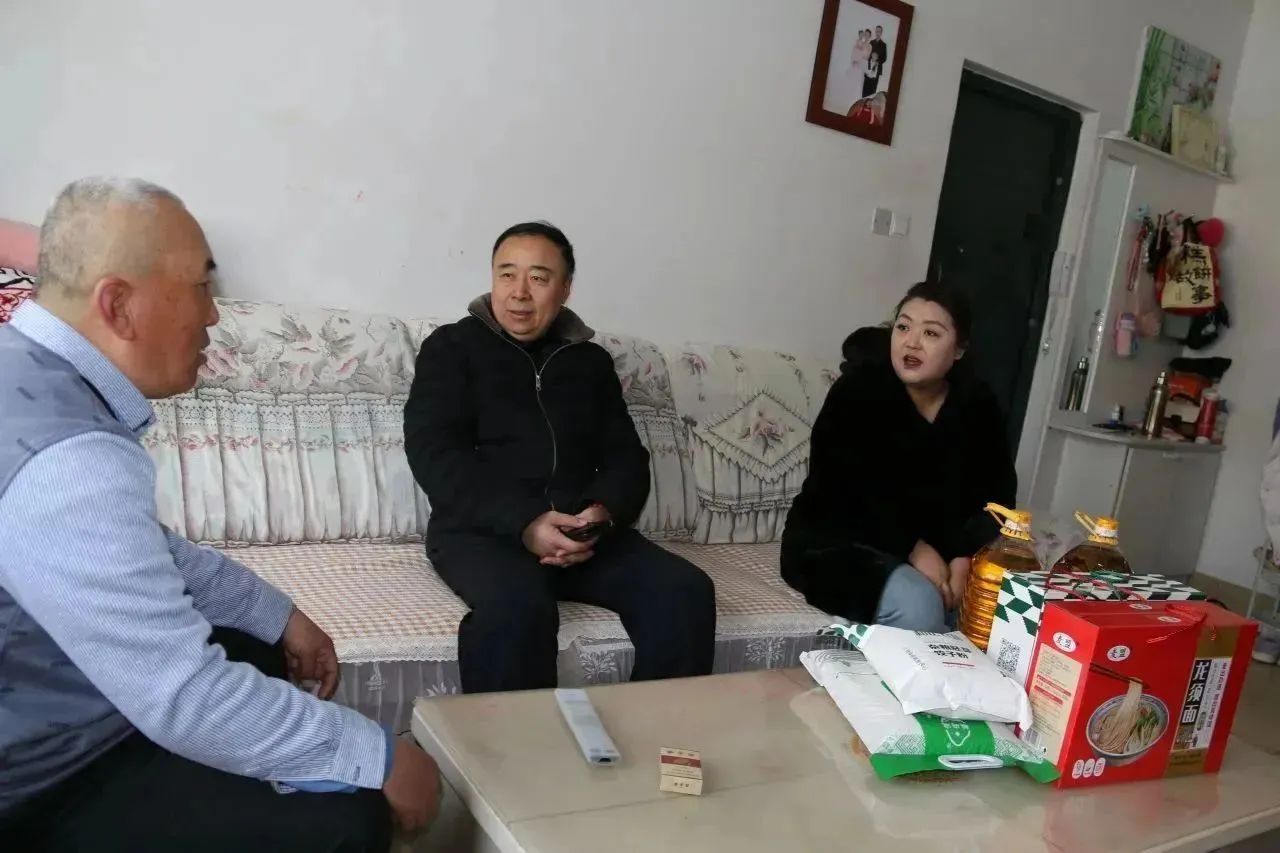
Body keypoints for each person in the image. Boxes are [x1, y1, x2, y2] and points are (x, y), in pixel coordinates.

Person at [0, 178, 440, 851]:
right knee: (347, 822)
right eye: (202, 287)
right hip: (39, 776)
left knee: (254, 640)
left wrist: (276, 613)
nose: (214, 316)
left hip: (56, 691)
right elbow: (180, 694)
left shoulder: (25, 373)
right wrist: (379, 755)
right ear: (118, 305)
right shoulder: (70, 459)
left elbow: (145, 551)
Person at [404, 221, 716, 694]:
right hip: (483, 533)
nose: (519, 292)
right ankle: (513, 745)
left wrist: (601, 513)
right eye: (507, 274)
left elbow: (626, 455)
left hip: (580, 535)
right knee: (518, 611)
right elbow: (434, 452)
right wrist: (525, 522)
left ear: (565, 288)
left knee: (684, 591)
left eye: (538, 277)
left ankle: (655, 732)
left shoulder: (590, 362)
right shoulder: (451, 349)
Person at [781, 280, 1016, 632]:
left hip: (941, 550)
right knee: (919, 604)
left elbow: (997, 495)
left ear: (959, 350)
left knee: (991, 603)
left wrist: (963, 556)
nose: (911, 342)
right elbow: (842, 493)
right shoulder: (856, 392)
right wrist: (914, 549)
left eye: (931, 333)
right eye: (903, 327)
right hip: (838, 542)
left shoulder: (977, 405)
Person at [865, 24, 889, 97]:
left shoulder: (884, 45)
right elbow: (867, 55)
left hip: (877, 70)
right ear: (875, 32)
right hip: (868, 68)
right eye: (877, 31)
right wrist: (871, 61)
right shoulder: (871, 43)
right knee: (866, 87)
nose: (878, 33)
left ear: (881, 33)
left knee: (873, 89)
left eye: (879, 31)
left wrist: (877, 62)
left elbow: (884, 58)